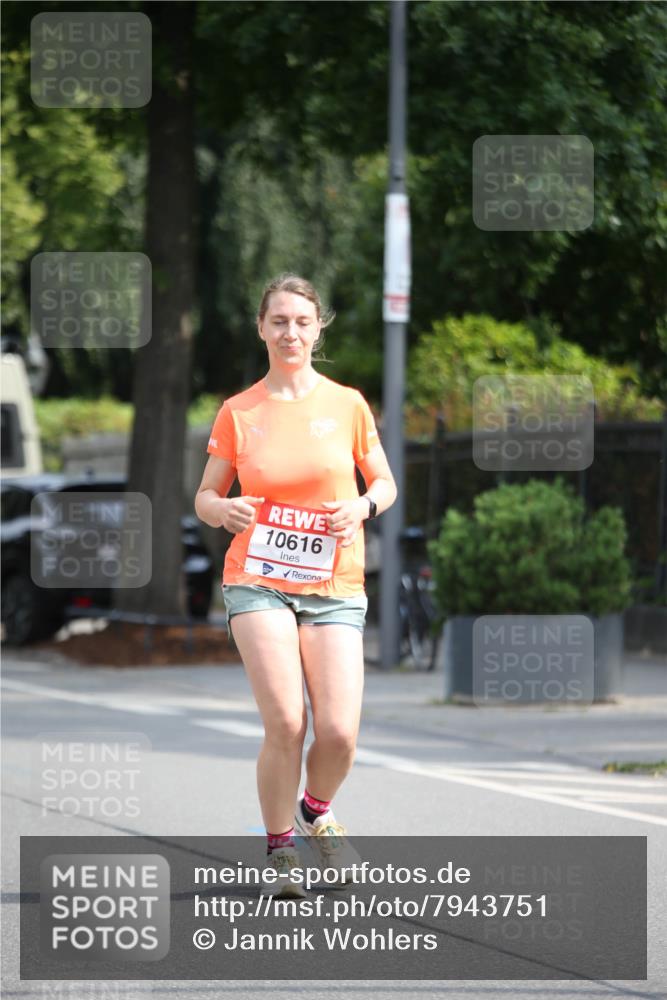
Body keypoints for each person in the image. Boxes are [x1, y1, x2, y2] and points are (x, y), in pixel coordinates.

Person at [195, 274, 397, 897]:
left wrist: (362, 508)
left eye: (302, 322)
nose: (290, 332)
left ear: (318, 329)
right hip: (257, 577)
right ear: (261, 328)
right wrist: (222, 511)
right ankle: (280, 846)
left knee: (338, 731)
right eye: (279, 321)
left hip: (334, 580)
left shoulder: (348, 404)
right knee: (286, 720)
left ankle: (315, 808)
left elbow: (385, 484)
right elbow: (204, 496)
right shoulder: (239, 412)